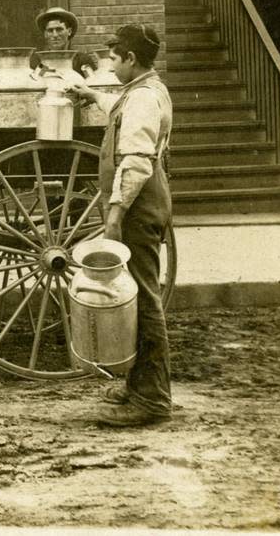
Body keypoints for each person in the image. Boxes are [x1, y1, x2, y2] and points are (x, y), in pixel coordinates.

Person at [69, 23, 174, 427]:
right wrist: (91, 94)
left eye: (115, 58)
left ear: (132, 58)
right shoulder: (143, 90)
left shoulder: (144, 99)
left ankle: (153, 400)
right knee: (132, 295)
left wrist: (114, 215)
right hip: (141, 204)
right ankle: (137, 385)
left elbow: (135, 161)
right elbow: (120, 109)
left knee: (144, 298)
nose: (110, 66)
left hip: (138, 207)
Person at [32, 6, 98, 77]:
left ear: (69, 31)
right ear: (45, 34)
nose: (55, 35)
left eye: (59, 29)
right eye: (50, 30)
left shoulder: (82, 61)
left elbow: (92, 84)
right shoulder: (37, 61)